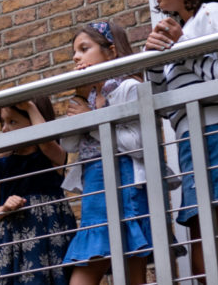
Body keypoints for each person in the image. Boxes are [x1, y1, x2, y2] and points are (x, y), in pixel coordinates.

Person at [60, 22, 153, 284]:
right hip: (95, 189)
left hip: (126, 184)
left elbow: (136, 143)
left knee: (133, 271)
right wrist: (79, 97)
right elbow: (68, 144)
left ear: (111, 52)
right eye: (73, 52)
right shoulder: (86, 97)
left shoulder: (128, 87)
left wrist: (92, 120)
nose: (76, 57)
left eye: (84, 48)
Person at [144, 0, 218, 279]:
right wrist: (155, 63)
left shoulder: (211, 15)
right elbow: (163, 108)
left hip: (216, 133)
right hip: (190, 142)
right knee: (202, 234)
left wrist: (183, 47)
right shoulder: (179, 31)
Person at [0, 97, 77, 285]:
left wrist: (30, 106)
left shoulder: (52, 155)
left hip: (51, 233)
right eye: (2, 122)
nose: (4, 129)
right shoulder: (0, 167)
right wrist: (4, 209)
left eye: (13, 122)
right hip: (13, 240)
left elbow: (45, 143)